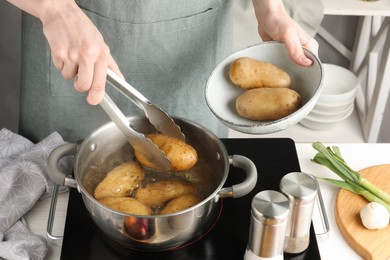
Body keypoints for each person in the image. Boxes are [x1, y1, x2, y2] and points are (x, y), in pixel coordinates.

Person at [7, 0, 323, 142]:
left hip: (194, 37)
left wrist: (270, 8)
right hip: (70, 34)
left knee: (194, 155)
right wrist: (56, 10)